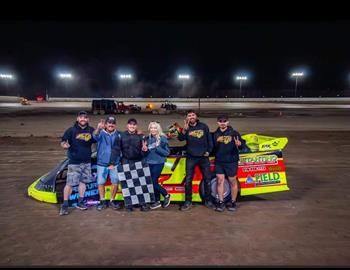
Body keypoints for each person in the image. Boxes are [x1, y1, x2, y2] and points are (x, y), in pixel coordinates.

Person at [59, 111, 96, 216]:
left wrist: (99, 129)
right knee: (70, 184)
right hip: (74, 162)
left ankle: (80, 202)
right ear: (77, 119)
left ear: (88, 119)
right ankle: (65, 205)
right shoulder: (71, 130)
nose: (83, 119)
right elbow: (63, 141)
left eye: (85, 117)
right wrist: (64, 145)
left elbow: (96, 138)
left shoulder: (91, 130)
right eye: (81, 117)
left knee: (83, 182)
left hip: (87, 162)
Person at [109, 118, 150, 212]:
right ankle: (129, 204)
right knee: (127, 184)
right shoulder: (121, 135)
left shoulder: (141, 136)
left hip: (138, 161)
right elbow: (115, 150)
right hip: (126, 161)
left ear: (136, 126)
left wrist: (145, 150)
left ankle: (142, 204)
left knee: (140, 183)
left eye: (134, 125)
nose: (132, 126)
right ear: (127, 125)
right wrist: (111, 162)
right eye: (130, 124)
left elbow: (145, 152)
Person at [177, 110, 215, 211]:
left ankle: (208, 200)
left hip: (203, 157)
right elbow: (180, 139)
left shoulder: (203, 126)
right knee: (188, 181)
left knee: (207, 180)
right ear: (187, 118)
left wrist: (208, 151)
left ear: (196, 116)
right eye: (189, 115)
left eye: (193, 115)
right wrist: (184, 130)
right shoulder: (186, 128)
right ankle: (188, 201)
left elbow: (209, 140)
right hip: (191, 157)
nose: (191, 117)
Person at [212, 114, 244, 212]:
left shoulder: (234, 133)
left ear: (228, 122)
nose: (222, 123)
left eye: (224, 121)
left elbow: (243, 145)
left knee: (232, 181)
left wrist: (240, 144)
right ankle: (221, 202)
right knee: (220, 181)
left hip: (231, 161)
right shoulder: (215, 134)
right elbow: (212, 147)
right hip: (219, 161)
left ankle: (233, 202)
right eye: (220, 121)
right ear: (217, 122)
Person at [93, 116, 122, 211]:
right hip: (102, 164)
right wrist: (98, 128)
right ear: (105, 124)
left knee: (115, 182)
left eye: (113, 123)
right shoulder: (100, 133)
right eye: (109, 123)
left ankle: (112, 200)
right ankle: (102, 201)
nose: (111, 124)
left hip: (115, 164)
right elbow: (94, 136)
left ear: (115, 125)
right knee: (101, 182)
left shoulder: (119, 134)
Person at [145, 121, 171, 210]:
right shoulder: (147, 138)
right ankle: (157, 201)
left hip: (158, 163)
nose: (153, 129)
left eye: (155, 128)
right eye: (151, 127)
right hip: (149, 163)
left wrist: (158, 148)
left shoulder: (163, 138)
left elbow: (167, 152)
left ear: (158, 129)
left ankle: (166, 194)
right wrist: (144, 150)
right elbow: (146, 151)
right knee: (153, 182)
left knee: (153, 181)